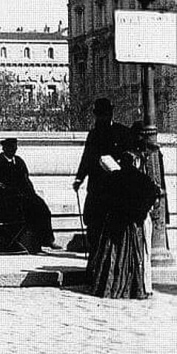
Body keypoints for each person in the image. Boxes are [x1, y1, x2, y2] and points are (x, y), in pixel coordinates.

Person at [88, 150, 159, 299]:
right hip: (133, 225)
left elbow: (103, 199)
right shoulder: (142, 179)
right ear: (136, 162)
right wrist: (139, 213)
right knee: (134, 257)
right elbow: (152, 195)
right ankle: (134, 288)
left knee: (112, 256)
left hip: (114, 223)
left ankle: (108, 287)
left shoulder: (113, 178)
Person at [0, 137, 59, 252]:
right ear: (4, 148)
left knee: (42, 209)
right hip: (6, 199)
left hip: (24, 196)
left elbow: (26, 179)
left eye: (14, 148)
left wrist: (31, 193)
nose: (12, 150)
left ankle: (47, 240)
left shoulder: (19, 161)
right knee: (21, 214)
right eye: (9, 148)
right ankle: (18, 243)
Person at [72, 98, 131, 255]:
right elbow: (87, 158)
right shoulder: (93, 134)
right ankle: (95, 253)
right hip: (97, 185)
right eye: (100, 115)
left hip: (116, 186)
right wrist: (79, 178)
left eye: (105, 114)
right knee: (93, 219)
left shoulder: (122, 132)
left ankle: (112, 253)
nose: (102, 118)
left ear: (111, 113)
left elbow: (129, 158)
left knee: (113, 220)